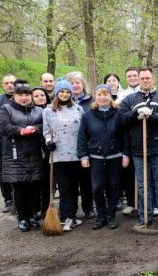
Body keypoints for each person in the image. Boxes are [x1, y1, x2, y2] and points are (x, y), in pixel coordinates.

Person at [119, 67, 158, 228]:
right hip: (138, 148)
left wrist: (152, 116)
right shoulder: (130, 100)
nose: (145, 80)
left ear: (153, 79)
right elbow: (121, 119)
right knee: (143, 185)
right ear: (138, 80)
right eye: (142, 78)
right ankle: (145, 217)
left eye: (148, 78)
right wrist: (135, 114)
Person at [77, 85, 130, 230]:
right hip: (96, 157)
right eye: (99, 94)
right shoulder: (88, 115)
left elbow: (125, 136)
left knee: (113, 187)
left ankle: (111, 216)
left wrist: (126, 154)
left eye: (105, 94)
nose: (102, 97)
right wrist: (83, 156)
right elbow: (82, 137)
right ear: (95, 96)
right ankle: (101, 215)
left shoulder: (119, 114)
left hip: (115, 156)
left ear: (110, 96)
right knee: (97, 188)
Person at [0, 80, 44, 231]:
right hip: (15, 155)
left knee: (34, 187)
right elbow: (4, 127)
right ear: (14, 96)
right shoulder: (6, 109)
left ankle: (31, 216)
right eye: (20, 95)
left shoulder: (38, 110)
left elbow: (45, 125)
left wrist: (36, 129)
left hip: (35, 154)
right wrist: (20, 131)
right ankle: (22, 218)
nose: (24, 98)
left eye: (27, 95)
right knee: (20, 188)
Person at [43, 78, 85, 231]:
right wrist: (49, 141)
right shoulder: (48, 111)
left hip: (75, 154)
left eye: (68, 92)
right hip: (59, 154)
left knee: (74, 186)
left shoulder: (78, 109)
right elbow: (46, 131)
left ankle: (72, 215)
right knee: (64, 186)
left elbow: (83, 130)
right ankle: (67, 216)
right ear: (57, 93)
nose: (65, 94)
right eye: (62, 91)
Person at [65, 71, 95, 219]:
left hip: (87, 146)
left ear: (83, 84)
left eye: (78, 82)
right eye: (71, 83)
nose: (75, 85)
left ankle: (88, 207)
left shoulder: (91, 101)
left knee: (86, 180)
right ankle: (72, 209)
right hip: (68, 148)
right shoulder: (62, 101)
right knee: (71, 181)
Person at [118, 66, 140, 215]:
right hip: (127, 135)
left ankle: (146, 202)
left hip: (142, 134)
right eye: (129, 76)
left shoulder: (145, 92)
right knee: (128, 171)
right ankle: (132, 202)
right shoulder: (122, 95)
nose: (132, 78)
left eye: (134, 75)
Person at [32, 87, 51, 219]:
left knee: (47, 183)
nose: (40, 98)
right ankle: (34, 209)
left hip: (49, 151)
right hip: (34, 152)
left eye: (42, 95)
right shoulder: (30, 112)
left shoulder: (51, 109)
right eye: (37, 96)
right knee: (35, 183)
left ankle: (46, 210)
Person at [0, 74, 16, 213]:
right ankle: (8, 199)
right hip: (2, 141)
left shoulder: (23, 98)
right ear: (3, 85)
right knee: (3, 171)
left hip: (19, 140)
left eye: (12, 82)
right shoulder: (0, 99)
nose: (10, 85)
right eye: (7, 83)